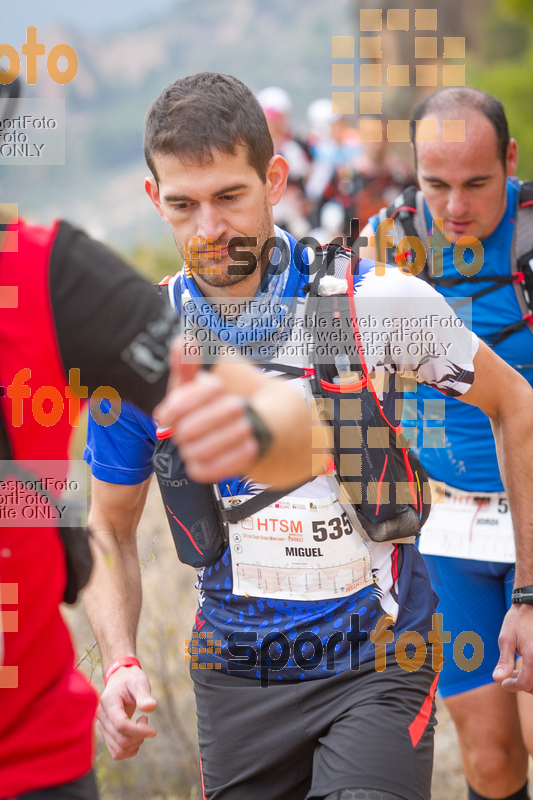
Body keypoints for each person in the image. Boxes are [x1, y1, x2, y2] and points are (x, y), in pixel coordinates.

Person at [83, 72, 533, 800]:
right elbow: (108, 527)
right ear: (151, 199)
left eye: (229, 197)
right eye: (182, 205)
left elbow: (516, 405)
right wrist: (121, 662)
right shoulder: (143, 348)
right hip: (236, 675)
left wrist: (529, 591)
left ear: (274, 178)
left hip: (377, 663)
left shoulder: (364, 301)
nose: (209, 230)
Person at [0, 77, 313, 799]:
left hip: (28, 760)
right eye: (183, 203)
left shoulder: (48, 273)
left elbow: (287, 426)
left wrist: (256, 425)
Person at [359, 87, 533, 800]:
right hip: (450, 526)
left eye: (475, 184)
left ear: (510, 161)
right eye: (435, 184)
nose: (454, 205)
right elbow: (347, 391)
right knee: (490, 760)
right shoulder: (382, 245)